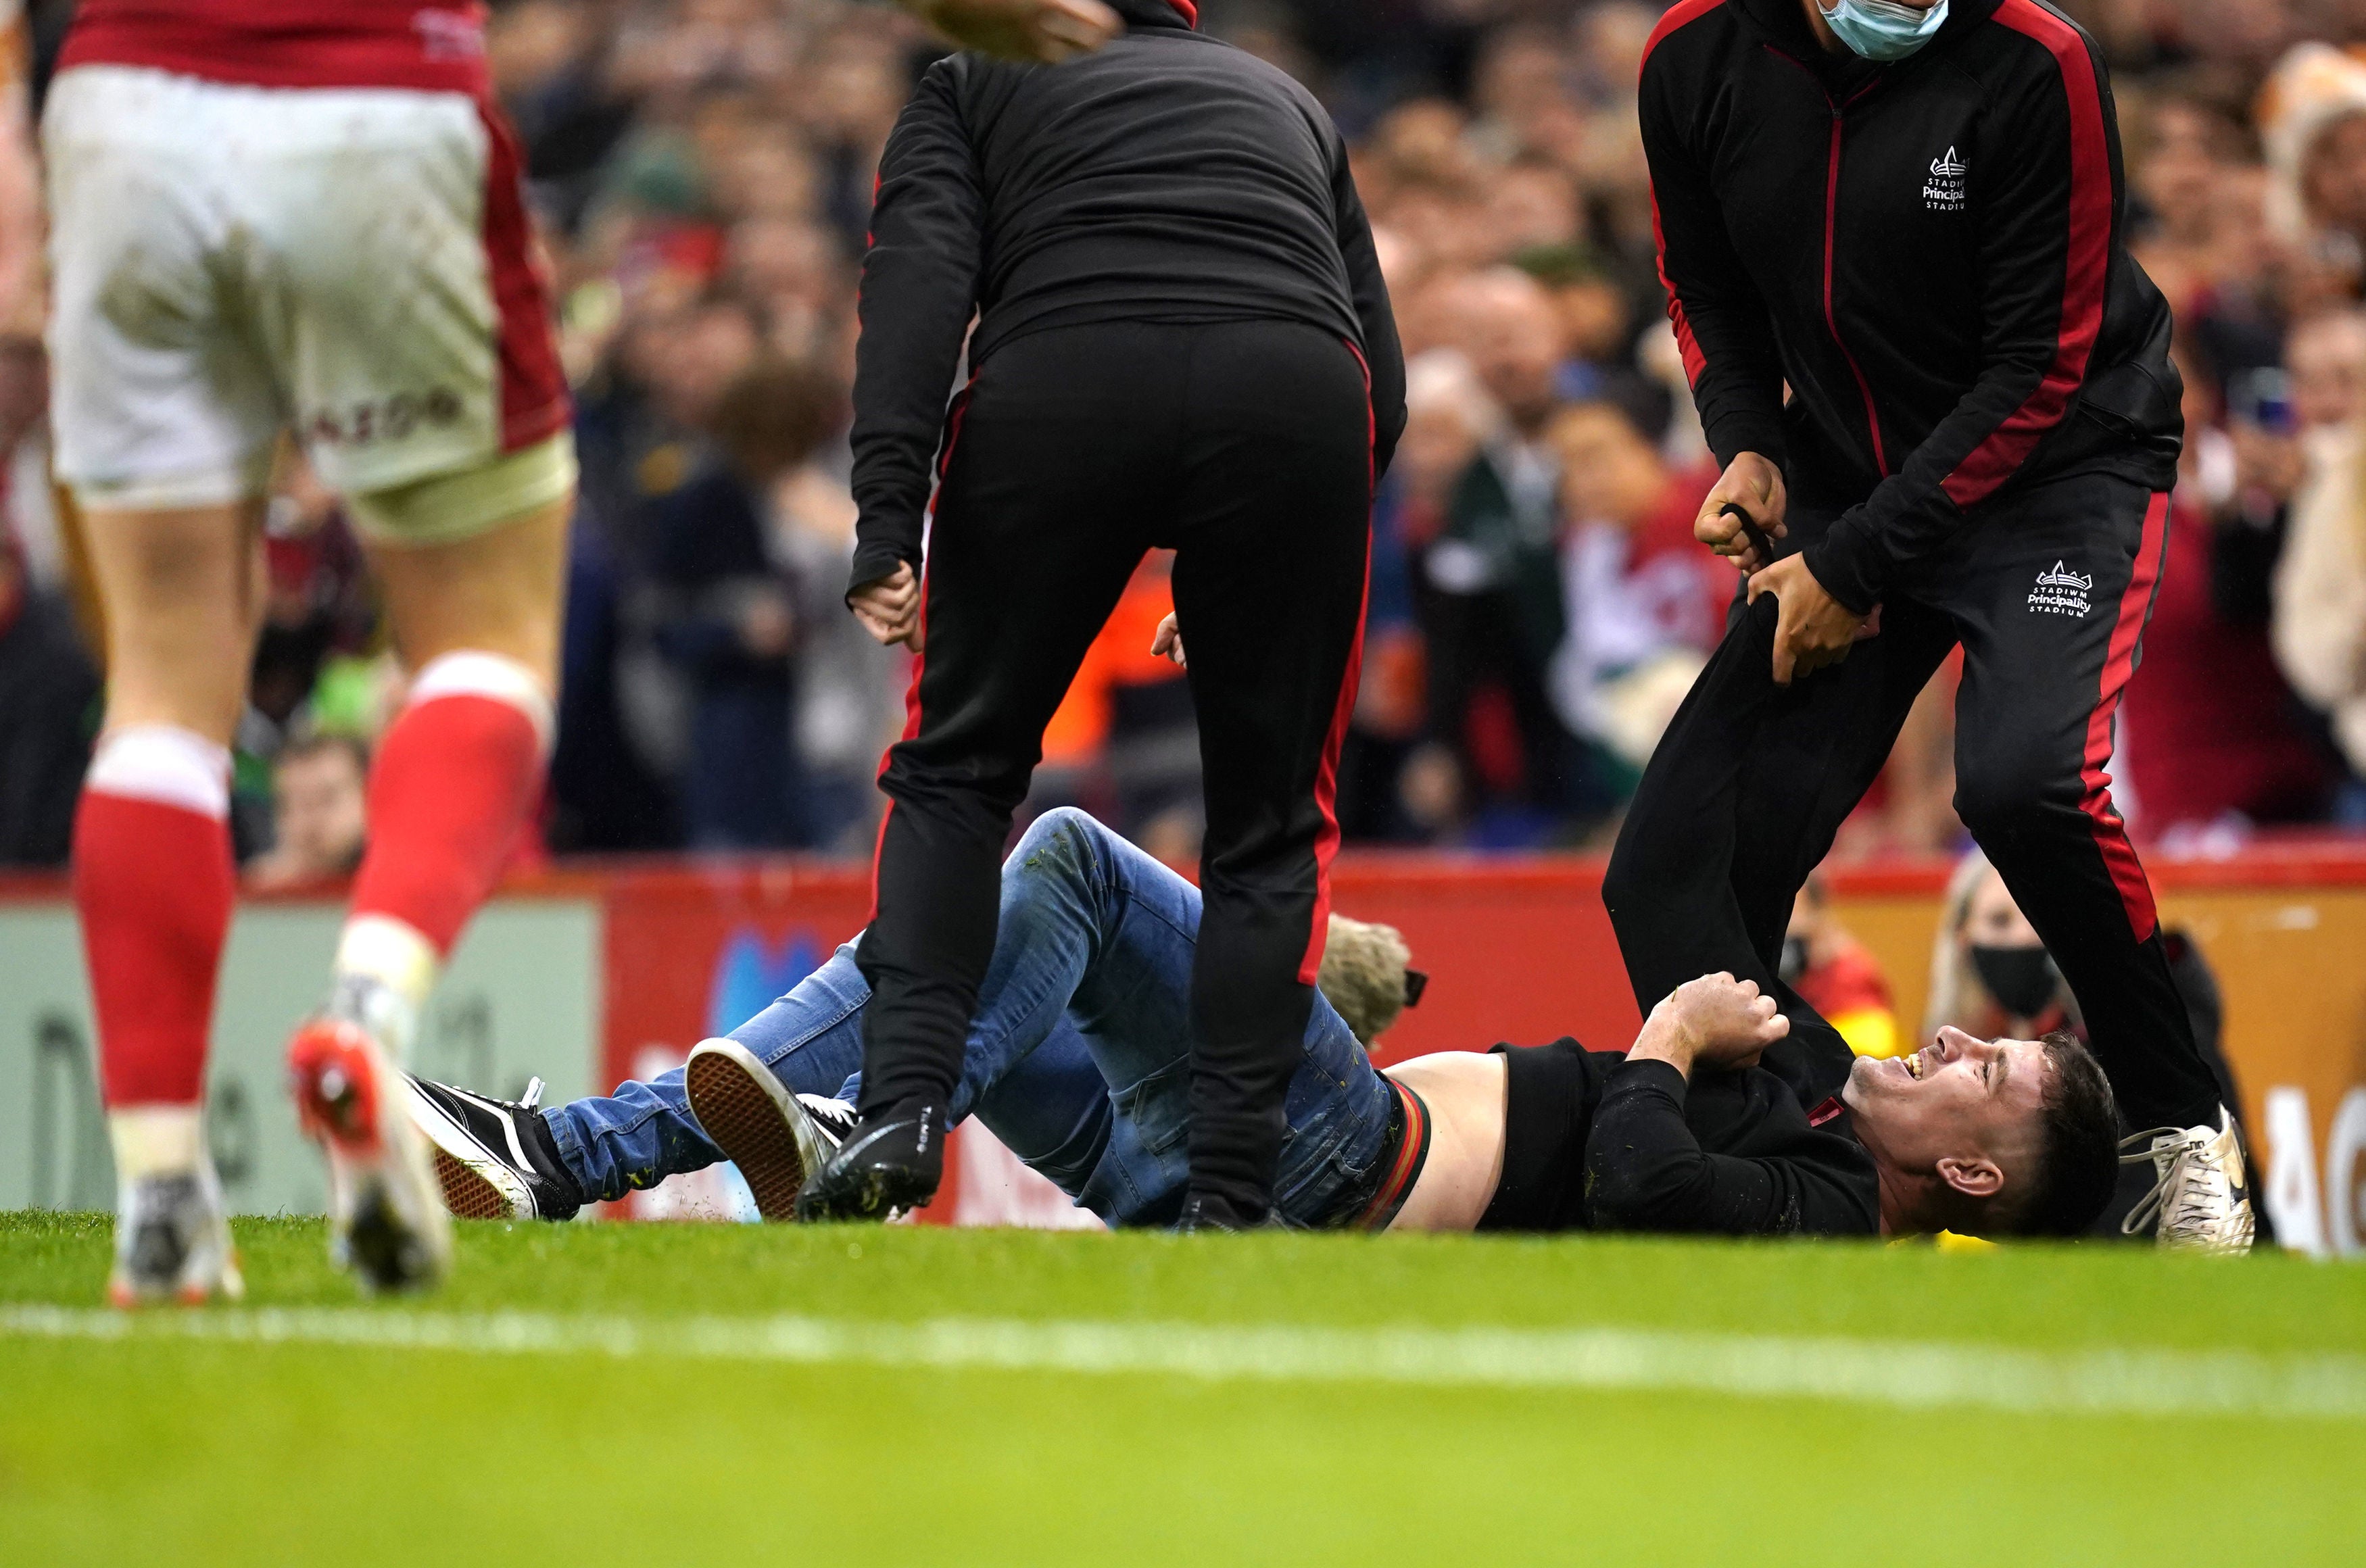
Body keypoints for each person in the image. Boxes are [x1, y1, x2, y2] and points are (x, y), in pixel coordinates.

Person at [40, 0, 1140, 1307]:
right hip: (376, 104)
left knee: (162, 692)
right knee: (489, 641)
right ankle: (370, 1017)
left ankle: (162, 1190)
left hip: (119, 104)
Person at [1603, 0, 2252, 1250]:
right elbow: (1706, 289)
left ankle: (2181, 1131)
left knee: (2025, 785)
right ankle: (1815, 1162)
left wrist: (1848, 568)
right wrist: (1747, 442)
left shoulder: (2035, 58)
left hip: (2058, 474)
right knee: (1670, 872)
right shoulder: (1693, 59)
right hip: (1848, 477)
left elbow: (2040, 366)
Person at [408, 807, 2120, 1241]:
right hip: (1229, 1179)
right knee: (948, 941)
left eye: (1992, 1071)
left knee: (1065, 866)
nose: (1957, 1039)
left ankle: (886, 1132)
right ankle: (563, 1152)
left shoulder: (1826, 1216)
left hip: (1335, 1158)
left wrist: (1669, 1040)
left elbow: (1647, 1183)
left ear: (1973, 1175)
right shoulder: (1821, 1119)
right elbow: (1671, 867)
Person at [824, 0, 1405, 1229]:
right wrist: (1258, 567)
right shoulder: (1289, 102)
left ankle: (901, 1110)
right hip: (1296, 399)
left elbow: (917, 293)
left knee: (958, 774)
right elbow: (1380, 371)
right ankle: (1237, 1196)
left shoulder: (970, 81)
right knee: (1269, 830)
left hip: (1062, 386)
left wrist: (887, 516)